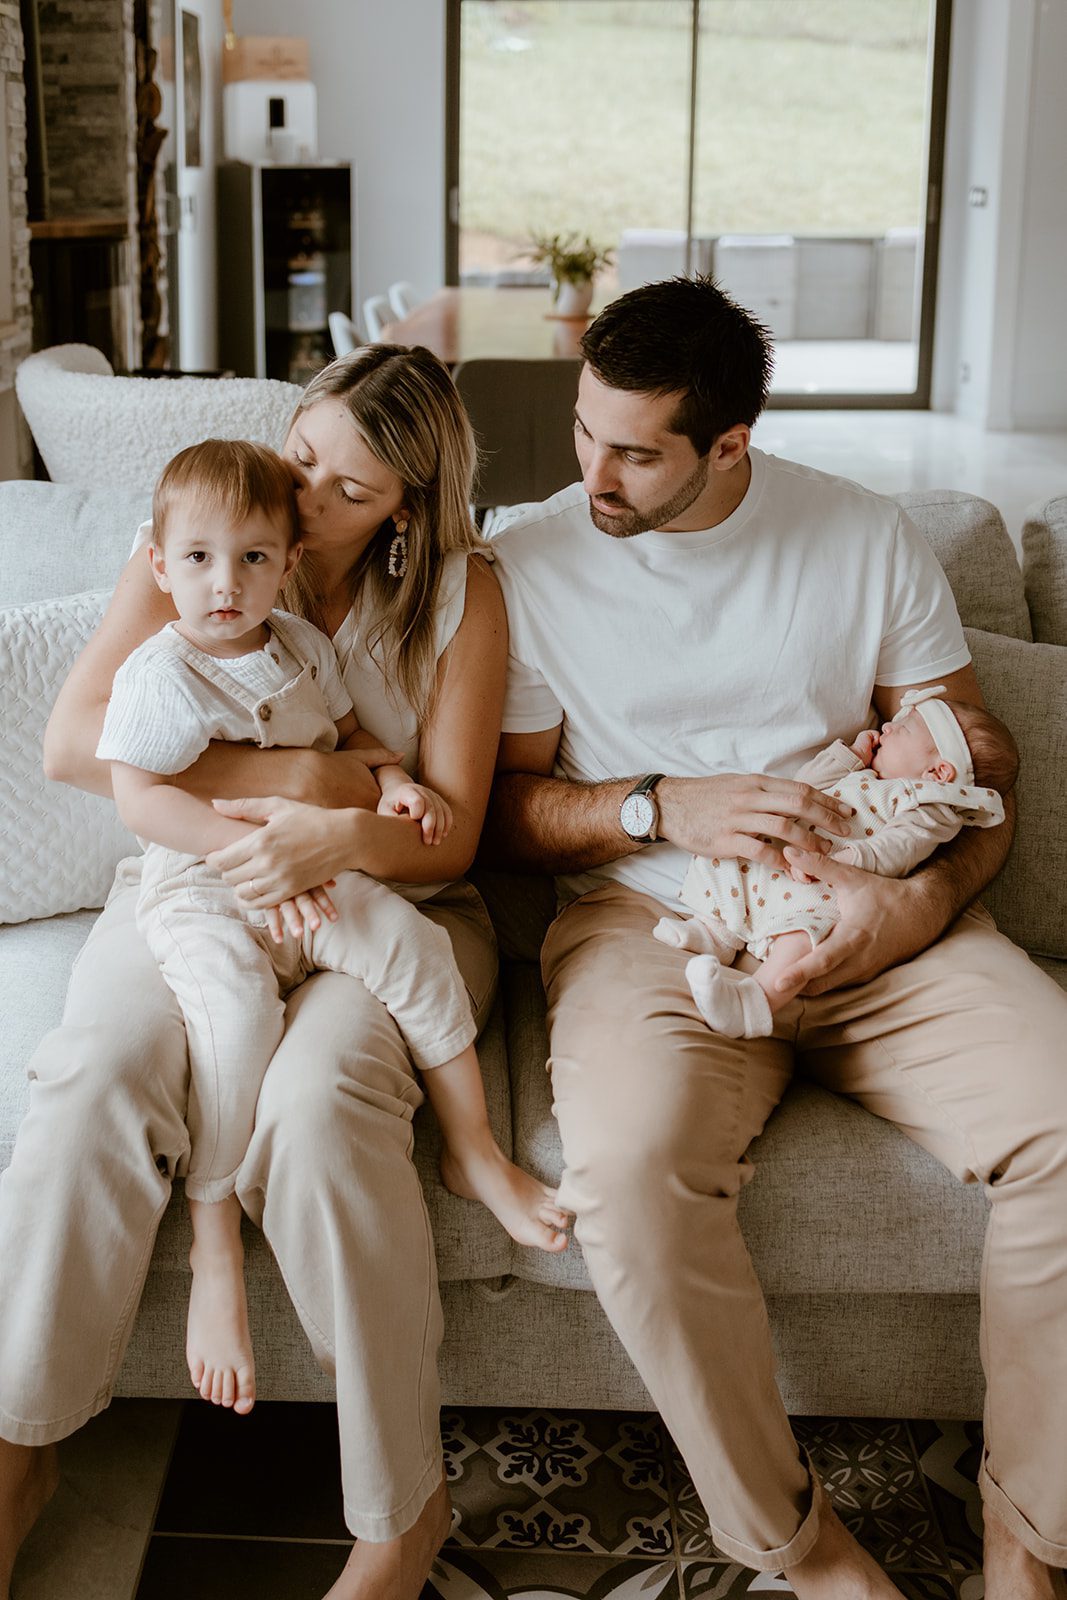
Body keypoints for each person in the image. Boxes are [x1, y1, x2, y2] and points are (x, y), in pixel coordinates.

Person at [482, 277, 1067, 1600]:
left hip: (877, 921)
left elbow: (976, 778)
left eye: (635, 450)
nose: (595, 473)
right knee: (624, 1177)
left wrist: (906, 907)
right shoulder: (529, 560)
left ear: (729, 443)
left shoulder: (859, 539)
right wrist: (652, 803)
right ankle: (797, 1551)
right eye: (586, 431)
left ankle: (1025, 1538)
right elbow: (504, 819)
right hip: (650, 927)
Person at [0, 345, 512, 1600]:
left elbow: (448, 825)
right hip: (192, 882)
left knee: (318, 1113)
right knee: (91, 1080)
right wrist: (304, 779)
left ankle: (401, 1511)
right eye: (302, 456)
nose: (305, 496)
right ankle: (20, 1450)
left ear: (404, 505)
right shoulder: (197, 541)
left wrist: (339, 824)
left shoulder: (458, 597)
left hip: (379, 898)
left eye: (348, 488)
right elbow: (79, 747)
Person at [96, 438, 569, 1417]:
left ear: (285, 561)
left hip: (317, 870)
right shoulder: (160, 672)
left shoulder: (301, 646)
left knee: (414, 948)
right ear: (158, 563)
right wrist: (249, 864)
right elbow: (140, 798)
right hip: (206, 883)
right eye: (197, 560)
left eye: (252, 560)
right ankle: (214, 1215)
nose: (224, 584)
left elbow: (351, 737)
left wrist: (393, 784)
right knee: (234, 1018)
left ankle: (472, 1144)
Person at [656, 689, 1017, 1038]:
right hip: (787, 853)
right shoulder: (866, 775)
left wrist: (838, 862)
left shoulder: (928, 807)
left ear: (937, 773)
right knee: (735, 860)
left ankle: (753, 1003)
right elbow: (805, 786)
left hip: (828, 887)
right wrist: (850, 758)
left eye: (903, 729)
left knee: (802, 939)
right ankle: (714, 933)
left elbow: (895, 849)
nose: (887, 727)